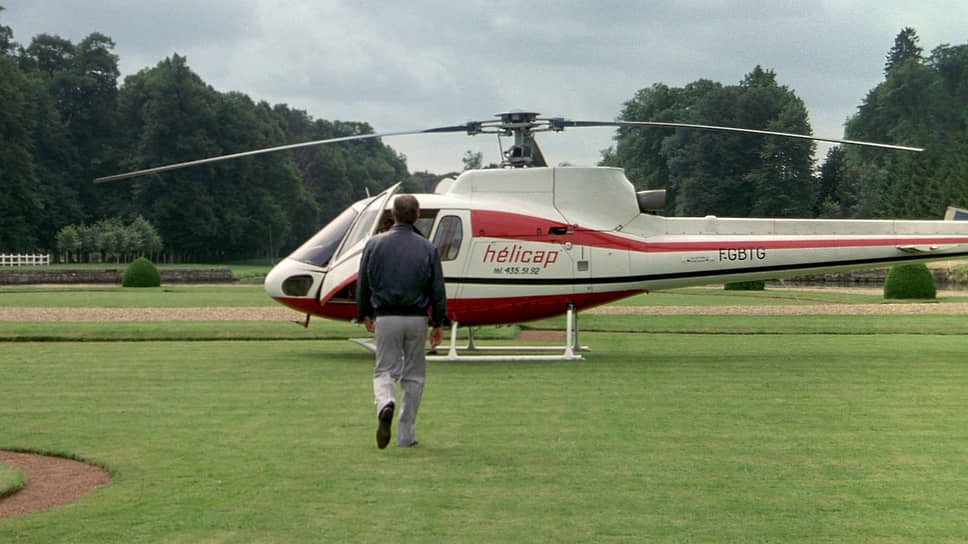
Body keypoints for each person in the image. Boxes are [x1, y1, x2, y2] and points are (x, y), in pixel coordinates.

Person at [356, 194, 448, 449]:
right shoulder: (428, 248)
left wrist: (364, 313)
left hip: (386, 316)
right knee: (414, 376)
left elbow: (363, 282)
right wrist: (438, 322)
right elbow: (438, 289)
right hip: (417, 318)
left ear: (393, 214)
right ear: (416, 216)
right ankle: (406, 435)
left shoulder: (374, 244)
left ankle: (386, 402)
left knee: (384, 371)